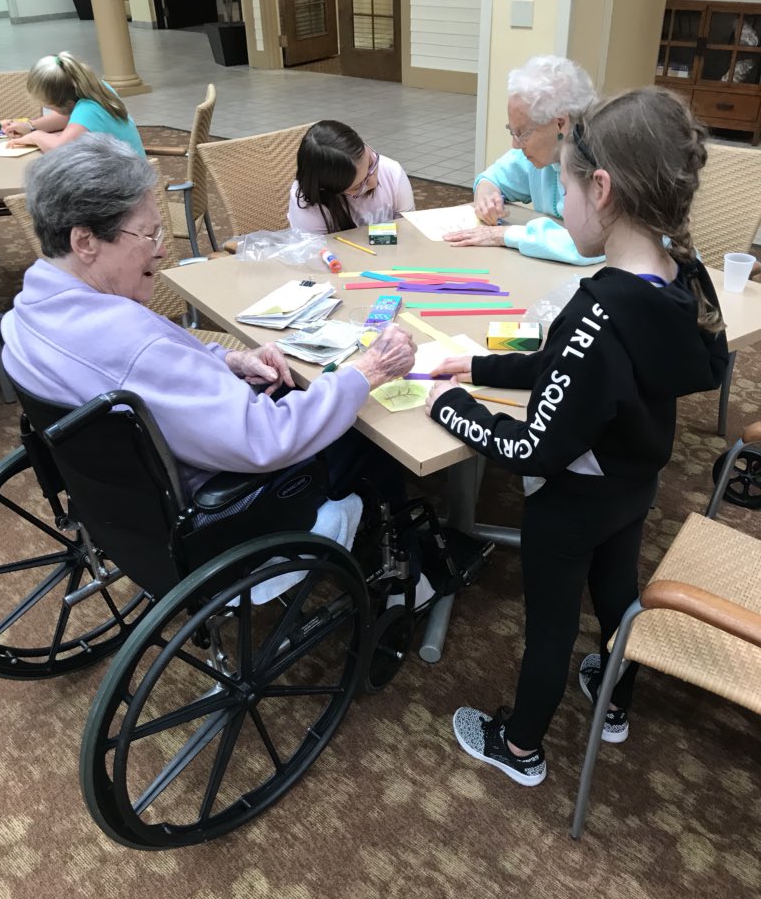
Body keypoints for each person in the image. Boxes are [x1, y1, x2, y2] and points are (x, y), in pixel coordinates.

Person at [425, 87, 729, 786]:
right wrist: (474, 363)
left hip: (572, 501)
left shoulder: (595, 313)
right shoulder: (684, 275)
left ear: (601, 188)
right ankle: (615, 698)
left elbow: (532, 446)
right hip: (634, 477)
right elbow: (575, 368)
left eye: (562, 187)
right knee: (619, 586)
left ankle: (521, 745)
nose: (559, 207)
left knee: (552, 626)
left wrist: (452, 407)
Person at [2, 136, 417, 537]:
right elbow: (267, 439)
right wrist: (367, 371)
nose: (162, 251)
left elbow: (156, 369)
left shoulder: (26, 313)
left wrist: (227, 360)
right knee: (367, 428)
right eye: (149, 235)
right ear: (85, 241)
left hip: (122, 508)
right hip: (220, 507)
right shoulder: (131, 343)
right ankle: (411, 574)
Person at [445, 54, 601, 266]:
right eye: (513, 131)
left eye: (523, 133)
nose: (515, 145)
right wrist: (487, 197)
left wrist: (503, 235)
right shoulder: (541, 156)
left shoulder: (602, 160)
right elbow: (492, 178)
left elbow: (590, 243)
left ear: (560, 124)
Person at [0, 51, 146, 158]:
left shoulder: (88, 110)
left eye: (49, 107)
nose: (49, 110)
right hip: (133, 174)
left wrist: (36, 136)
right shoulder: (95, 89)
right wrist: (30, 127)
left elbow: (60, 149)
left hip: (127, 188)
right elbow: (66, 117)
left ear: (69, 104)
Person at [288, 120, 415, 235]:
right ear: (328, 189)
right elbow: (317, 252)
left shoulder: (391, 171)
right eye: (359, 186)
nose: (374, 182)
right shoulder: (309, 203)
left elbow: (408, 231)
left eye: (371, 163)